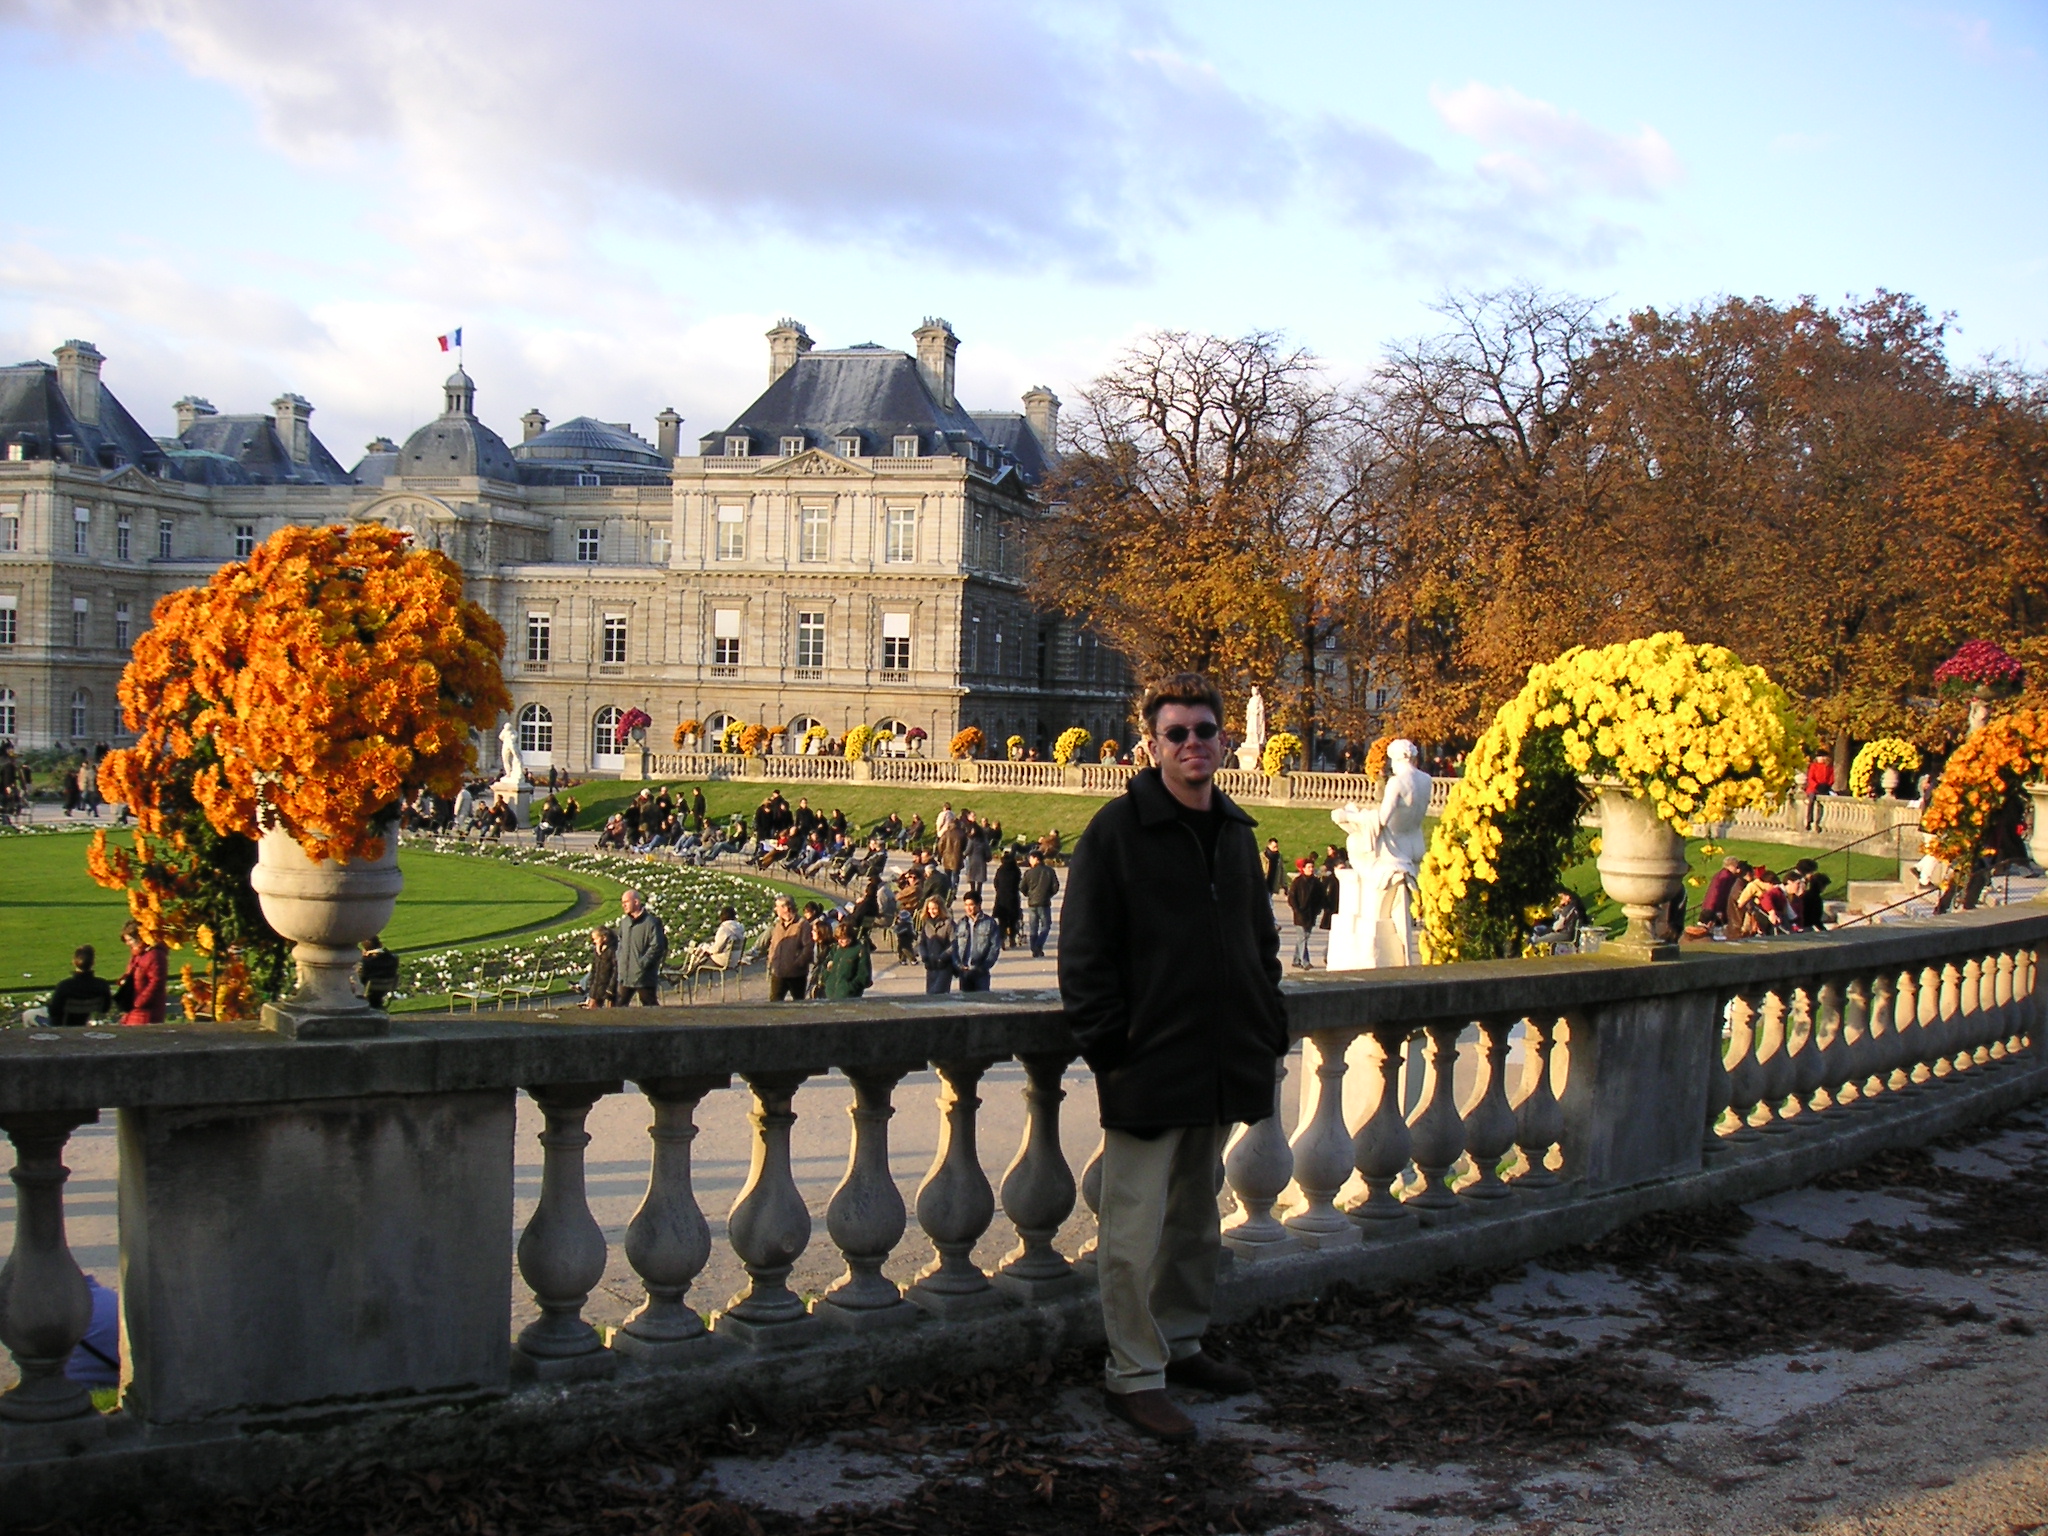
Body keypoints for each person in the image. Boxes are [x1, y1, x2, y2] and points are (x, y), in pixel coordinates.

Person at [1059, 672, 1286, 1442]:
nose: (1193, 744)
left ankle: (1181, 1343)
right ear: (1152, 745)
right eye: (1177, 733)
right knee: (1131, 1235)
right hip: (1148, 1063)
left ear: (1223, 740)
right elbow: (1083, 954)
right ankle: (1133, 1374)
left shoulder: (1235, 833)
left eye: (1204, 731)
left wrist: (1265, 1021)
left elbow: (1260, 944)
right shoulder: (1117, 831)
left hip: (1220, 1057)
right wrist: (1112, 1047)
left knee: (1195, 1220)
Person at [615, 889, 667, 1005]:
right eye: (622, 902)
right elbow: (620, 942)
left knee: (650, 1006)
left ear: (636, 902)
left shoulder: (651, 923)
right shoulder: (625, 922)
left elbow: (657, 947)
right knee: (619, 1006)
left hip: (643, 977)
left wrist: (642, 964)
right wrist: (620, 959)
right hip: (625, 975)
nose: (623, 905)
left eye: (626, 902)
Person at [115, 920, 169, 1025]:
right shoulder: (137, 955)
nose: (128, 944)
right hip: (134, 1008)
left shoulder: (154, 955)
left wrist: (139, 1002)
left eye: (130, 940)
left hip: (146, 1012)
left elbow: (156, 982)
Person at [46, 945, 113, 1025]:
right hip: (87, 1024)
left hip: (64, 1026)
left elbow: (54, 1011)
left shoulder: (65, 986)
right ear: (93, 962)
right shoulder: (102, 985)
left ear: (74, 962)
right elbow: (105, 1008)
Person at [765, 896, 814, 1002]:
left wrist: (797, 963)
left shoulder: (802, 925)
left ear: (786, 908)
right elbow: (773, 944)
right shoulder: (778, 925)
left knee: (798, 1003)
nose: (775, 909)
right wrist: (772, 960)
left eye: (778, 907)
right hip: (778, 972)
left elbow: (808, 947)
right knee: (774, 1004)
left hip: (796, 974)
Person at [952, 891, 1001, 991]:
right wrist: (958, 965)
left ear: (979, 905)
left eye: (971, 905)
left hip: (980, 972)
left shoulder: (989, 923)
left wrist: (984, 966)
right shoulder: (961, 923)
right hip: (964, 971)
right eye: (966, 905)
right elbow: (954, 945)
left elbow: (994, 947)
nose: (968, 908)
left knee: (981, 998)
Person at [1020, 848, 1060, 958]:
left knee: (1033, 927)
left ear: (1036, 859)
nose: (1029, 861)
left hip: (1032, 903)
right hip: (1044, 902)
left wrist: (1028, 894)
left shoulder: (1028, 873)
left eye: (1031, 858)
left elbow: (1022, 887)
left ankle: (1034, 948)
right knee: (1046, 926)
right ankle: (1038, 945)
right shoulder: (1050, 871)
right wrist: (1048, 895)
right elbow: (1055, 887)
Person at [1286, 857, 1323, 969]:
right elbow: (1292, 898)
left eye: (1312, 867)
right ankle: (1305, 961)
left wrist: (1318, 909)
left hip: (1311, 914)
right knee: (1302, 937)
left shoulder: (1316, 882)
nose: (1311, 869)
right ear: (1303, 869)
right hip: (1300, 914)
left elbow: (1320, 898)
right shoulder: (1297, 882)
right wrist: (1297, 909)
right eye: (1308, 867)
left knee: (1304, 937)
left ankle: (1296, 959)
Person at [820, 922, 872, 999]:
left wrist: (850, 987)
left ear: (850, 937)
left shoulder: (860, 950)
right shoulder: (836, 948)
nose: (840, 941)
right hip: (830, 993)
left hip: (849, 995)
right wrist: (826, 979)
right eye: (838, 938)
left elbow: (864, 975)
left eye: (843, 938)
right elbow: (826, 964)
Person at [916, 896, 956, 994]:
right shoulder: (927, 924)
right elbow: (922, 942)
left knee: (938, 993)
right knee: (930, 995)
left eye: (934, 909)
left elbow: (955, 944)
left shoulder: (948, 924)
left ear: (940, 908)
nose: (931, 911)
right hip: (931, 965)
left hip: (944, 966)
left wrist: (943, 956)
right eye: (929, 909)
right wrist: (924, 956)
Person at [579, 927, 619, 1009]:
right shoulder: (597, 951)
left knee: (609, 1012)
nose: (594, 941)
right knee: (592, 1009)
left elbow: (616, 970)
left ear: (604, 937)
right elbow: (594, 969)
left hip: (607, 988)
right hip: (596, 988)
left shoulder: (612, 950)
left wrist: (611, 988)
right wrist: (590, 984)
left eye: (596, 939)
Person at [992, 847, 1023, 949]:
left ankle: (1002, 938)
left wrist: (999, 890)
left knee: (1002, 920)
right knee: (1013, 920)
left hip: (1001, 898)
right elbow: (1019, 883)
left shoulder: (1000, 870)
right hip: (1013, 897)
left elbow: (996, 883)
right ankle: (1012, 938)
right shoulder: (1016, 870)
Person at [357, 935, 400, 1008]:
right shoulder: (393, 959)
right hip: (383, 991)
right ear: (380, 944)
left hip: (369, 994)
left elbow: (361, 979)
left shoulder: (366, 962)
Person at [1803, 750, 1834, 831]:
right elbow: (1810, 778)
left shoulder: (1829, 767)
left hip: (1824, 788)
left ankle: (1819, 822)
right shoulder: (1813, 766)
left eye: (1821, 757)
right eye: (1818, 757)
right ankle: (1808, 820)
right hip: (1814, 788)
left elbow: (1831, 778)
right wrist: (1816, 786)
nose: (1820, 759)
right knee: (1811, 800)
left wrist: (1827, 785)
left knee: (1826, 802)